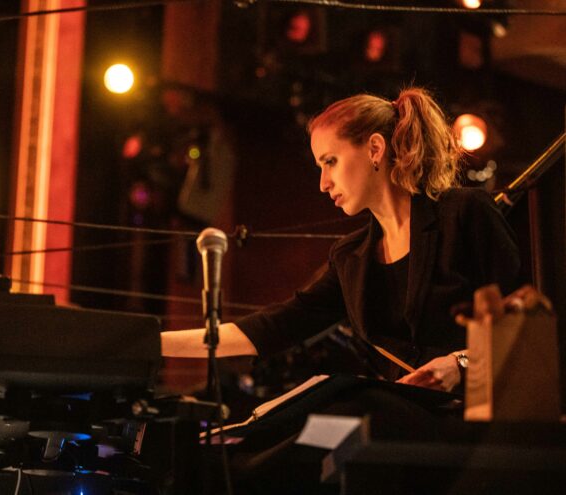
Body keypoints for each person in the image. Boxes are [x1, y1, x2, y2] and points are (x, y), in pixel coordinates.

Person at [160, 87, 521, 492]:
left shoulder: (465, 213)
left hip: (473, 423)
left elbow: (530, 322)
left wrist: (460, 364)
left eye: (330, 161)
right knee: (275, 442)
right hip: (396, 431)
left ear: (374, 149)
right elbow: (276, 326)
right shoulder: (351, 257)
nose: (322, 182)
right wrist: (149, 344)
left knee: (350, 407)